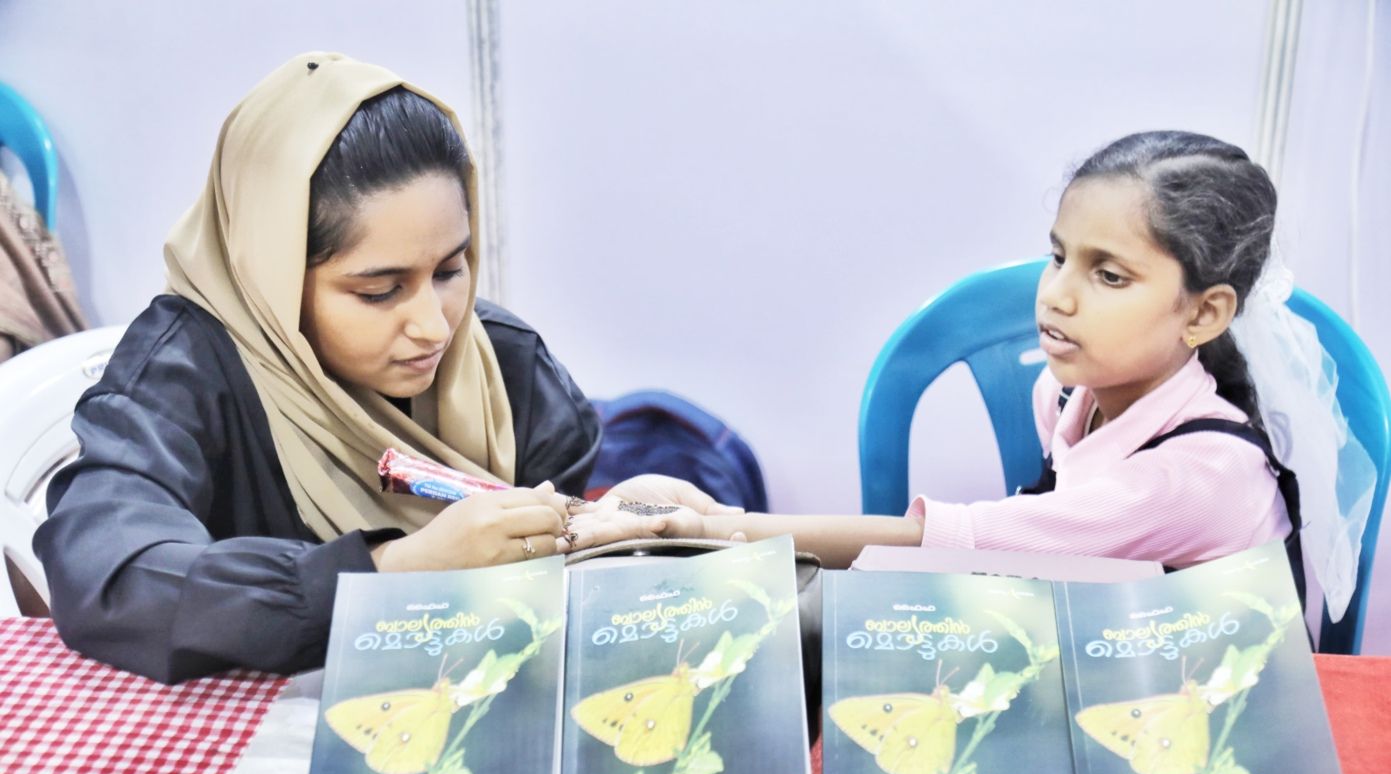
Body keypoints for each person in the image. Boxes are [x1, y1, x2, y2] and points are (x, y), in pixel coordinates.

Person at [601, 131, 1373, 622]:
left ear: (1203, 315)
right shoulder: (1067, 393)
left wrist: (704, 529)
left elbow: (963, 540)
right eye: (1058, 254)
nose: (1057, 293)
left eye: (1108, 275)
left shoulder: (1194, 478)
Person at [35, 53, 608, 683]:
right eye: (379, 291)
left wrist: (638, 531)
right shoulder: (184, 376)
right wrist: (392, 571)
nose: (436, 325)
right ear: (271, 274)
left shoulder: (506, 368)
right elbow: (111, 577)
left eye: (449, 270)